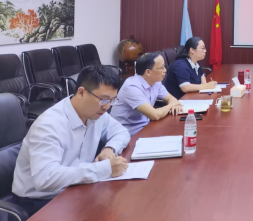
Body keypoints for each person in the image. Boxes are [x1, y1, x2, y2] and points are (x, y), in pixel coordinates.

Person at [12, 66, 130, 217]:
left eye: (112, 100)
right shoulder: (49, 125)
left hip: (77, 188)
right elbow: (45, 178)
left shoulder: (96, 113)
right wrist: (103, 169)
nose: (107, 106)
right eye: (103, 99)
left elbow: (121, 132)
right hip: (41, 201)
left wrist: (110, 149)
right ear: (81, 92)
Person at [111, 52, 184, 136]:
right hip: (127, 133)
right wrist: (172, 105)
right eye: (162, 67)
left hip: (146, 126)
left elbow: (171, 99)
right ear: (148, 72)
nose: (165, 70)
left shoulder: (156, 82)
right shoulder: (132, 87)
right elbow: (155, 115)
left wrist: (175, 105)